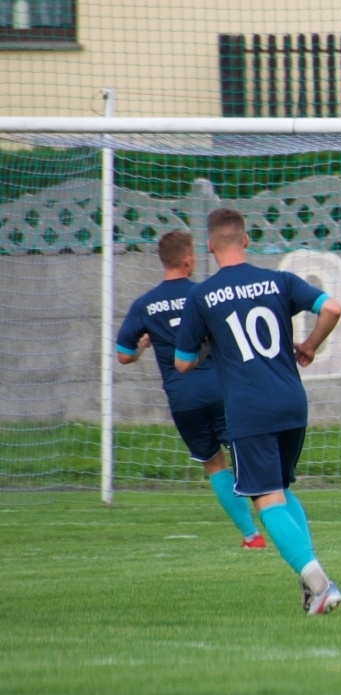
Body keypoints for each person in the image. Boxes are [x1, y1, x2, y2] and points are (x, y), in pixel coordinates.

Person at [174, 208, 341, 614]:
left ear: (210, 246)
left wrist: (207, 342)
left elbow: (182, 361)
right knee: (282, 489)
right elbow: (333, 307)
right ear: (246, 240)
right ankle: (310, 583)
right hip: (291, 401)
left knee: (265, 498)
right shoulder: (279, 280)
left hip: (249, 408)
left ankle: (319, 583)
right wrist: (310, 346)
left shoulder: (202, 296)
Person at [115, 230, 264, 549]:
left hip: (183, 399)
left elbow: (123, 355)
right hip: (220, 390)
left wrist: (143, 345)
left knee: (214, 463)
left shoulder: (145, 304)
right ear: (187, 260)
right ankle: (276, 513)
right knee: (245, 457)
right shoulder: (204, 295)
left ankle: (251, 536)